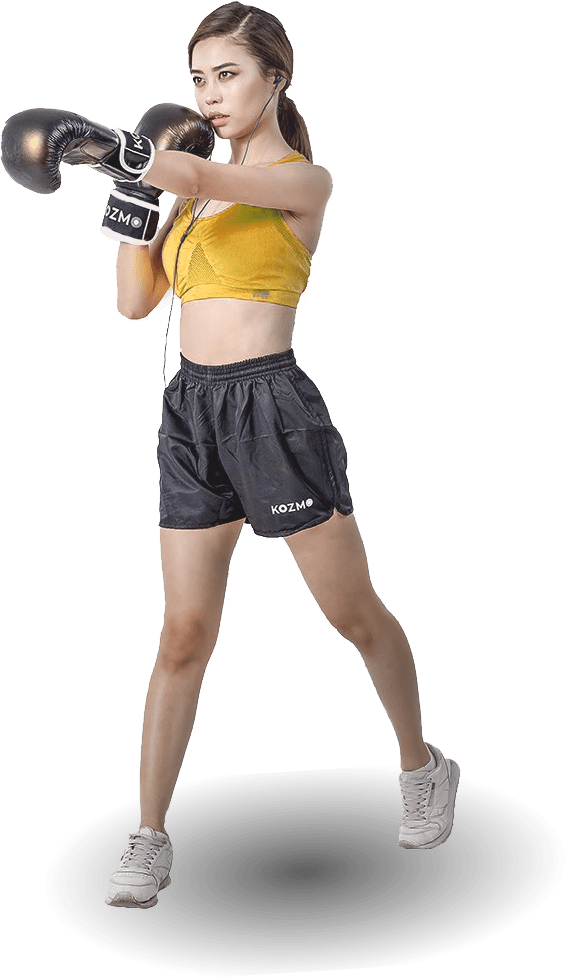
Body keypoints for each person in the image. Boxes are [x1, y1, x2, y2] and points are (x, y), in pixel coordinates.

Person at [98, 2, 460, 908]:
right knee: (182, 634)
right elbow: (135, 305)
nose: (210, 95)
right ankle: (150, 838)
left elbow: (196, 168)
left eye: (228, 74)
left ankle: (423, 768)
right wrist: (134, 206)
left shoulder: (302, 181)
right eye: (199, 79)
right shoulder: (190, 193)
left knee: (353, 616)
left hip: (270, 408)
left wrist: (123, 152)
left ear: (276, 78)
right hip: (189, 410)